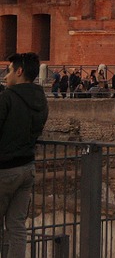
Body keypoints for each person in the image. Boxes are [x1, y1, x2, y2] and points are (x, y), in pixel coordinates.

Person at [0, 52, 50, 258]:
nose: (5, 75)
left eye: (9, 70)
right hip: (27, 169)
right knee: (17, 225)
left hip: (5, 170)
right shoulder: (41, 99)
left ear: (19, 71)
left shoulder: (8, 98)